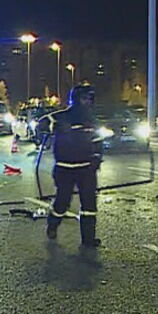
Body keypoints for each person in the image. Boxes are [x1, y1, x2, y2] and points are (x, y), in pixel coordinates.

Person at [43, 84, 103, 247]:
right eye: (85, 99)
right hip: (65, 169)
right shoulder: (61, 117)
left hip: (86, 169)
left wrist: (97, 158)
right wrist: (53, 128)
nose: (88, 102)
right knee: (62, 202)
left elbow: (98, 141)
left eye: (90, 99)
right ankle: (53, 225)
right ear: (76, 100)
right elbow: (41, 125)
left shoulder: (92, 120)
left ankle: (88, 239)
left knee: (89, 205)